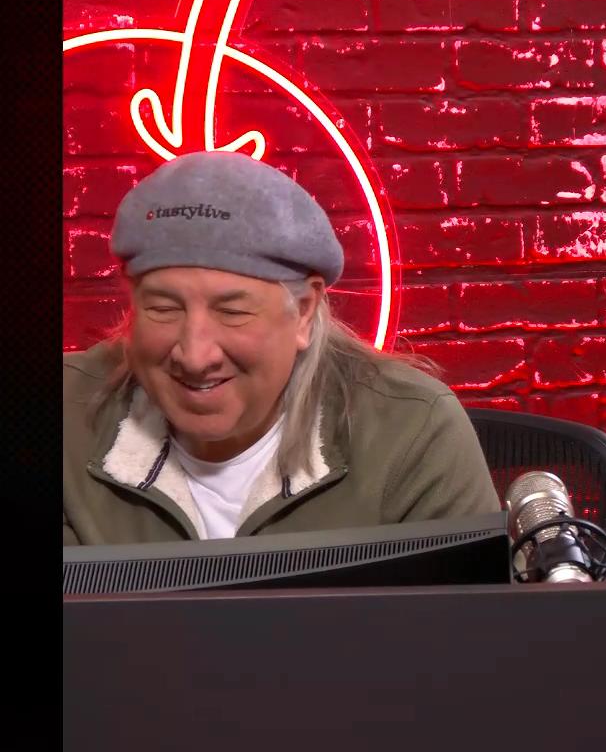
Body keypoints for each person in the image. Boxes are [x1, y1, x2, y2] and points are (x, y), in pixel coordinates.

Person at [63, 150, 498, 545]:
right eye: (163, 309)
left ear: (304, 312)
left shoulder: (413, 432)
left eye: (232, 312)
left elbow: (464, 608)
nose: (195, 355)